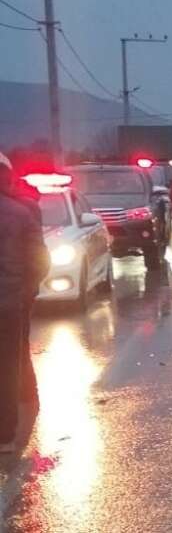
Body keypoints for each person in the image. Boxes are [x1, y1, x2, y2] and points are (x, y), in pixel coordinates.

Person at [0, 153, 48, 454]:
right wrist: (27, 291)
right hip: (10, 302)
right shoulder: (22, 211)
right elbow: (40, 262)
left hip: (11, 299)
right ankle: (5, 435)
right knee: (9, 363)